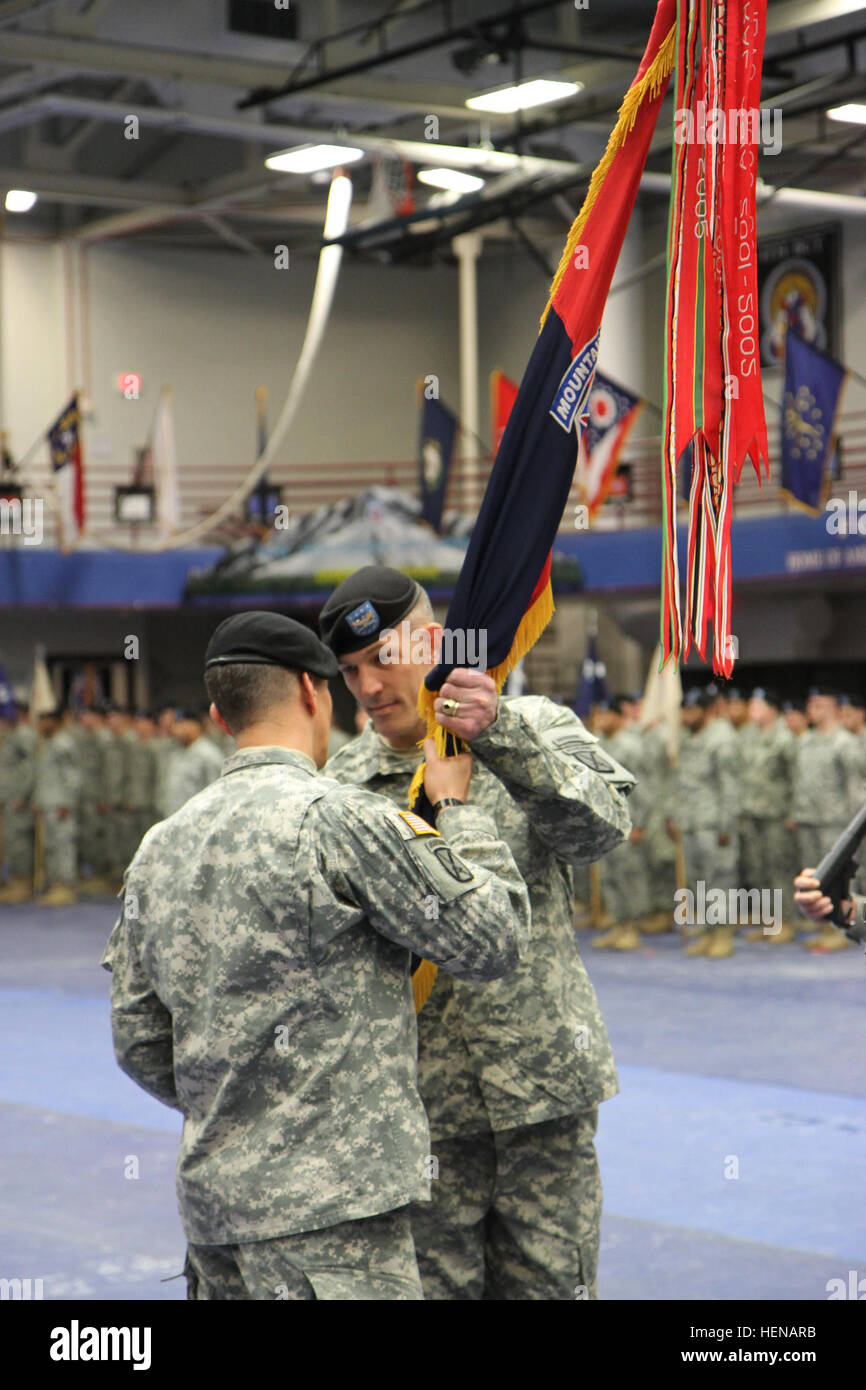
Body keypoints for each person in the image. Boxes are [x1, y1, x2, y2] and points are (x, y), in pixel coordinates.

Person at [101, 612, 530, 1301]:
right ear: (311, 690)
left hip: (217, 1224)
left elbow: (140, 1040)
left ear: (219, 713)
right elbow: (492, 938)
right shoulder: (340, 820)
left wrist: (246, 1107)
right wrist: (459, 808)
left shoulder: (160, 846)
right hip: (338, 1228)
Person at [319, 566, 634, 1301]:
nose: (367, 688)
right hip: (422, 1115)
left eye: (382, 660)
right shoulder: (339, 787)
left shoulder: (533, 727)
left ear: (432, 643)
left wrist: (500, 736)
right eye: (349, 671)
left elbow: (605, 831)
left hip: (542, 1095)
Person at [669, 686, 739, 958]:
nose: (686, 716)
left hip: (713, 824)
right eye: (684, 710)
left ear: (708, 710)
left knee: (720, 879)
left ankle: (723, 934)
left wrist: (726, 825)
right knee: (699, 881)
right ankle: (709, 931)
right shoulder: (689, 738)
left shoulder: (722, 739)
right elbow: (683, 782)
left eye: (692, 710)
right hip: (692, 821)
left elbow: (730, 785)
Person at [790, 685, 861, 951]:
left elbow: (854, 787)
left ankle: (839, 930)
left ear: (833, 708)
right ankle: (823, 921)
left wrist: (855, 826)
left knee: (838, 879)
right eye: (810, 705)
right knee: (814, 876)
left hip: (836, 820)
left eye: (818, 705)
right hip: (809, 817)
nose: (812, 710)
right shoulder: (806, 741)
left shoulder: (845, 742)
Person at [739, 687, 799, 944]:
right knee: (758, 870)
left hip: (776, 814)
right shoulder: (747, 737)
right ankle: (768, 921)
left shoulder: (784, 739)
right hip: (753, 813)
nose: (752, 709)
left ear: (772, 710)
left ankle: (785, 921)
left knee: (778, 869)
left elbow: (796, 778)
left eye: (758, 705)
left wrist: (793, 812)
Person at [592, 695, 651, 951]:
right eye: (600, 716)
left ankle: (632, 928)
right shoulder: (598, 745)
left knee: (629, 876)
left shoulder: (631, 746)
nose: (602, 721)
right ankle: (617, 924)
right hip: (605, 819)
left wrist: (640, 822)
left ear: (619, 717)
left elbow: (644, 788)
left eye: (607, 715)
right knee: (610, 876)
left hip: (627, 819)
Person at [32, 707, 80, 906]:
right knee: (51, 846)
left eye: (45, 721)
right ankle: (55, 885)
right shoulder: (49, 743)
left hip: (61, 805)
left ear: (55, 722)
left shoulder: (63, 744)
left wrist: (67, 803)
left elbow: (72, 776)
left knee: (62, 846)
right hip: (49, 803)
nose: (41, 726)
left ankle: (65, 887)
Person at [0, 698, 36, 902]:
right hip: (8, 797)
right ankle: (13, 881)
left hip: (19, 799)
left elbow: (29, 768)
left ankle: (21, 883)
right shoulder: (10, 735)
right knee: (10, 841)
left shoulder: (24, 735)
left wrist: (22, 794)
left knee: (19, 841)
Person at [163, 708, 223, 815]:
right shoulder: (178, 752)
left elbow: (217, 793)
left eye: (181, 724)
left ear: (195, 725)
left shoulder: (208, 755)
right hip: (175, 819)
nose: (175, 729)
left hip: (197, 821)